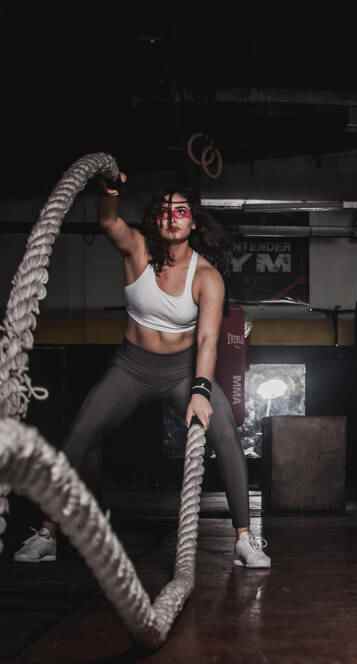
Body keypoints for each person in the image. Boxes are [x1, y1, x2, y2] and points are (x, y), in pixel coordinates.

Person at [14, 173, 270, 568]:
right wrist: (111, 192)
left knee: (226, 436)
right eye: (165, 211)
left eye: (181, 211)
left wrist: (201, 391)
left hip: (183, 372)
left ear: (193, 222)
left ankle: (244, 540)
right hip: (131, 368)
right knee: (79, 435)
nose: (172, 218)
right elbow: (108, 221)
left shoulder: (206, 277)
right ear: (156, 219)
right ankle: (47, 533)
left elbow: (207, 340)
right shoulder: (137, 250)